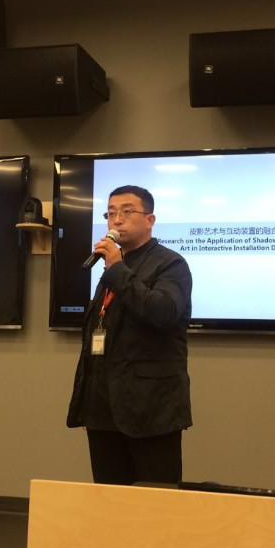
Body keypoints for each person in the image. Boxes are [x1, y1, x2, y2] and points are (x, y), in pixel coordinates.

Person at [67, 185, 192, 485]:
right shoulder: (114, 268)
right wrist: (89, 403)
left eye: (126, 211)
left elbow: (163, 313)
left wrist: (117, 268)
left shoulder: (170, 264)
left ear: (150, 220)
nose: (117, 220)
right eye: (111, 213)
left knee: (154, 500)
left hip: (151, 409)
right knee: (110, 500)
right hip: (104, 409)